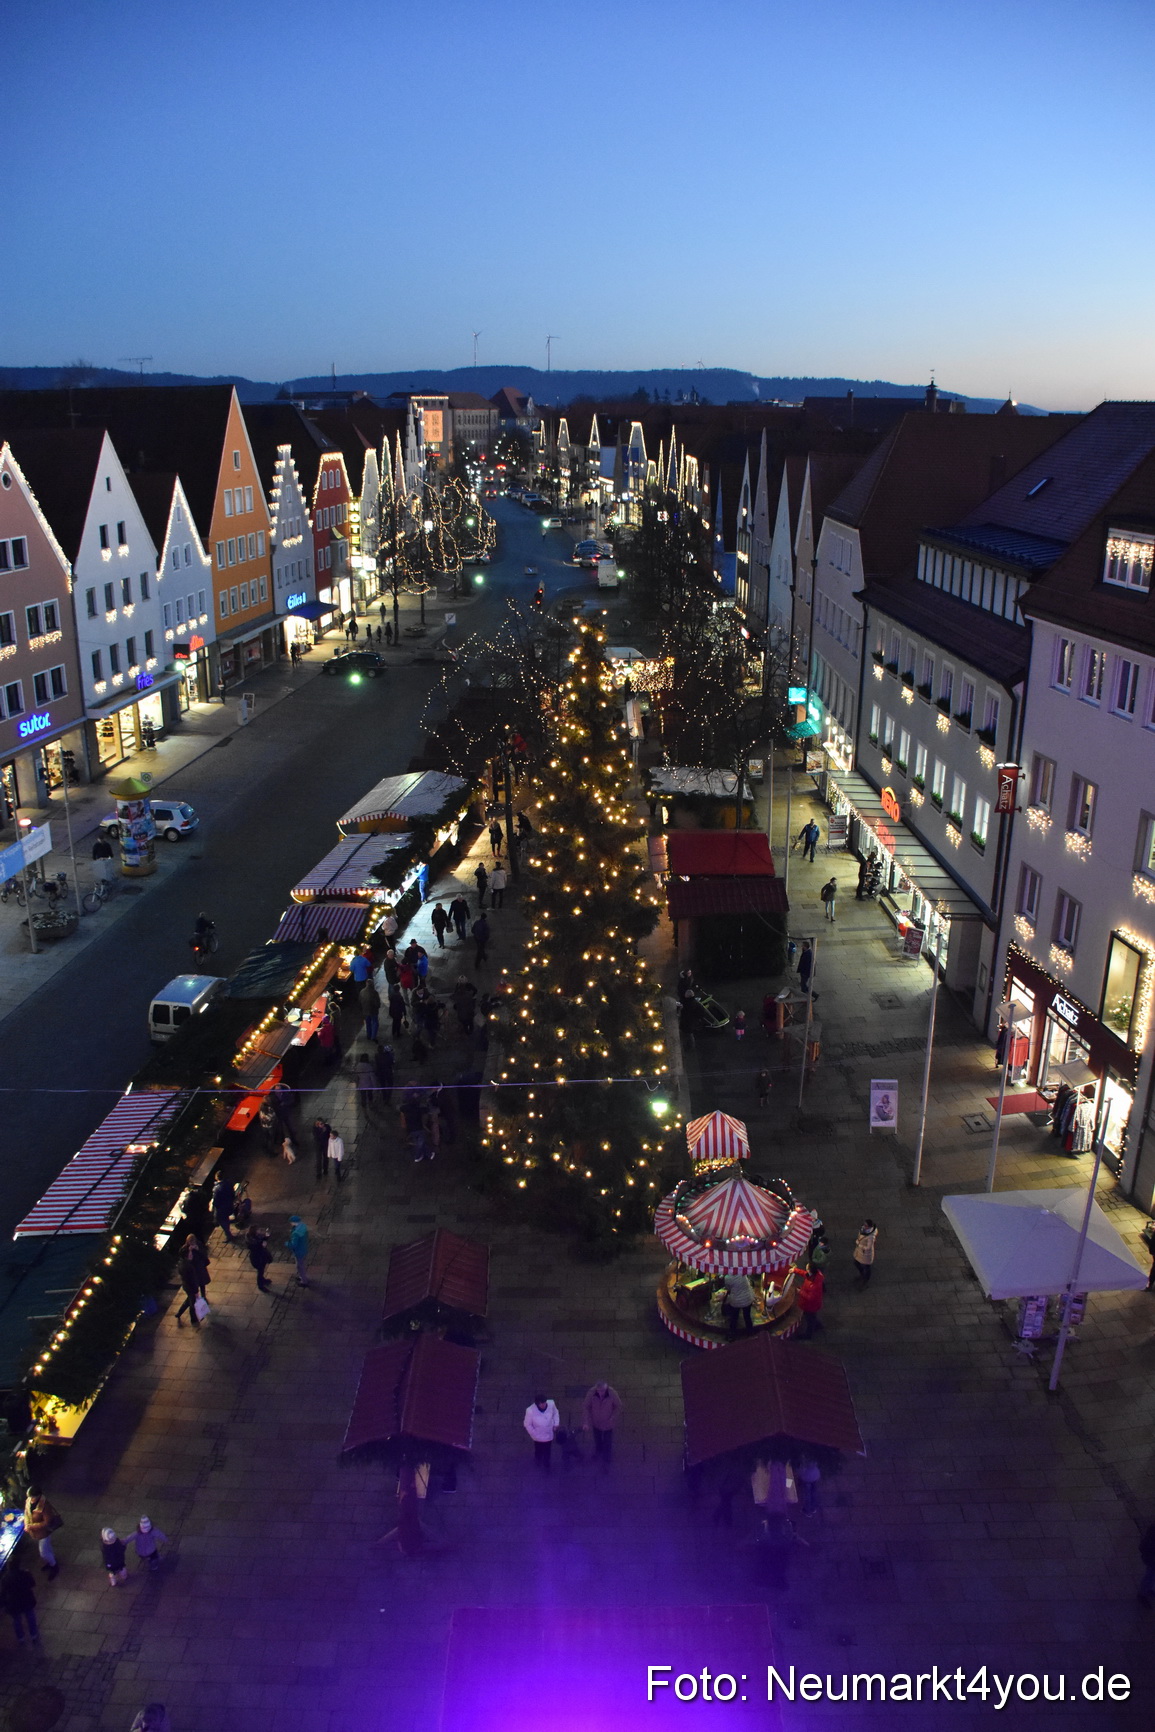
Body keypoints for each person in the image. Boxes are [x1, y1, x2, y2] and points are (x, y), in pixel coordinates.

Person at [582, 1380, 622, 1465]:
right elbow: (586, 1406)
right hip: (596, 1422)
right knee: (598, 1439)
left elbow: (618, 1406)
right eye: (599, 1391)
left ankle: (607, 1458)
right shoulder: (591, 1393)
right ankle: (598, 1451)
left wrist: (613, 1417)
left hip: (608, 1423)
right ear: (596, 1389)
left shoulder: (612, 1393)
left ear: (606, 1388)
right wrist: (586, 1422)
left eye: (603, 1391)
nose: (601, 1393)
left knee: (607, 1441)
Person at [24, 1487, 61, 1578]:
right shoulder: (29, 1500)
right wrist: (26, 1524)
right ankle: (51, 1562)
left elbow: (47, 1522)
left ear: (38, 1496)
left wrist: (32, 1526)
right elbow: (26, 1513)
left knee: (43, 1552)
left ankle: (54, 1566)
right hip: (35, 1532)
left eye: (32, 1497)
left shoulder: (44, 1506)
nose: (31, 1499)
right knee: (47, 1548)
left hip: (44, 1532)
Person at [0, 1558, 39, 1642]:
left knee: (16, 1620)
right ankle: (34, 1635)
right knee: (30, 1617)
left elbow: (3, 1593)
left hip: (13, 1603)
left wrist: (3, 1604)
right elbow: (32, 1584)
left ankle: (21, 1637)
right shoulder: (25, 1574)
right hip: (26, 1599)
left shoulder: (5, 1578)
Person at [523, 1393, 560, 1471]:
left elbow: (555, 1413)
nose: (543, 1405)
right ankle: (538, 1459)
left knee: (547, 1450)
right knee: (538, 1449)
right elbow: (527, 1424)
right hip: (538, 1437)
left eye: (544, 1403)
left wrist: (556, 1424)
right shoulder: (530, 1411)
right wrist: (534, 1433)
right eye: (541, 1404)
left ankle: (546, 1464)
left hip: (549, 1434)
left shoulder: (551, 1404)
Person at [723, 1271, 756, 1335]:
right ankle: (750, 1332)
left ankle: (732, 1333)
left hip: (736, 1301)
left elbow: (728, 1288)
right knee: (747, 1316)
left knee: (734, 1317)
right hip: (747, 1298)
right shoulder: (742, 1273)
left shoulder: (727, 1278)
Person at [797, 1266, 825, 1338]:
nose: (806, 1270)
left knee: (810, 1318)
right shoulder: (815, 1276)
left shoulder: (814, 1285)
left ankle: (808, 1334)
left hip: (810, 1306)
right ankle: (818, 1325)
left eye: (807, 1268)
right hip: (812, 1305)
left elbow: (810, 1297)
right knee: (812, 1316)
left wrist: (800, 1292)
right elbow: (804, 1274)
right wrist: (795, 1270)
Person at [246, 1224, 273, 1293]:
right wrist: (262, 1246)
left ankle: (262, 1280)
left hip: (262, 1256)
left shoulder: (255, 1237)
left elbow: (262, 1240)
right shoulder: (251, 1240)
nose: (259, 1231)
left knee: (262, 1270)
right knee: (260, 1271)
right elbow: (256, 1248)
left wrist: (266, 1236)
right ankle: (260, 1285)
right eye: (258, 1230)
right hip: (257, 1258)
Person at [210, 1175, 235, 1242]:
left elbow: (216, 1201)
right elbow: (233, 1194)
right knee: (226, 1219)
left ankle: (228, 1235)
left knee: (222, 1221)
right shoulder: (228, 1184)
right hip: (228, 1205)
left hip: (221, 1209)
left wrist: (213, 1205)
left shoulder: (216, 1189)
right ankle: (229, 1232)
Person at [287, 1216, 309, 1286]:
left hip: (298, 1251)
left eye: (291, 1222)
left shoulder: (296, 1233)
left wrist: (287, 1244)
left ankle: (303, 1280)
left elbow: (294, 1245)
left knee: (299, 1266)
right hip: (303, 1248)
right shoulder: (303, 1226)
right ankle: (302, 1277)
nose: (290, 1223)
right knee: (300, 1264)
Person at [312, 1117, 331, 1181]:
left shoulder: (327, 1127)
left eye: (323, 1123)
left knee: (326, 1157)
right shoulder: (315, 1129)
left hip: (325, 1144)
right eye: (321, 1124)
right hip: (318, 1146)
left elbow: (329, 1134)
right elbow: (316, 1137)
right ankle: (318, 1173)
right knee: (318, 1159)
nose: (322, 1125)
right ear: (317, 1124)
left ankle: (325, 1169)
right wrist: (322, 1132)